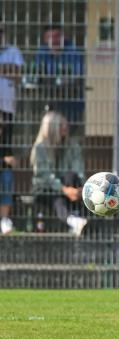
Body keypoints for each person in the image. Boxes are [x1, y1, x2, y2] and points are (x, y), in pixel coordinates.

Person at [29, 111, 87, 236]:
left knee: (70, 175)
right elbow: (45, 177)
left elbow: (79, 171)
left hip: (69, 185)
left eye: (65, 124)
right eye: (61, 125)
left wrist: (81, 188)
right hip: (45, 189)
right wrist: (64, 190)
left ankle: (75, 220)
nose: (65, 128)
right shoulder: (40, 148)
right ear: (51, 128)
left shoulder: (73, 146)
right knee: (56, 197)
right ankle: (73, 219)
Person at [33, 25, 84, 136]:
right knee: (48, 134)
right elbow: (37, 74)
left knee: (67, 135)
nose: (54, 40)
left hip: (71, 101)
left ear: (63, 37)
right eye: (50, 37)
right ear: (45, 39)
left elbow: (75, 76)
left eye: (57, 36)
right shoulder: (42, 51)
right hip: (50, 99)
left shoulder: (73, 52)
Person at [0, 19, 24, 234]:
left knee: (6, 163)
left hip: (7, 109)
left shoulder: (13, 50)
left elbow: (18, 74)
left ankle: (4, 218)